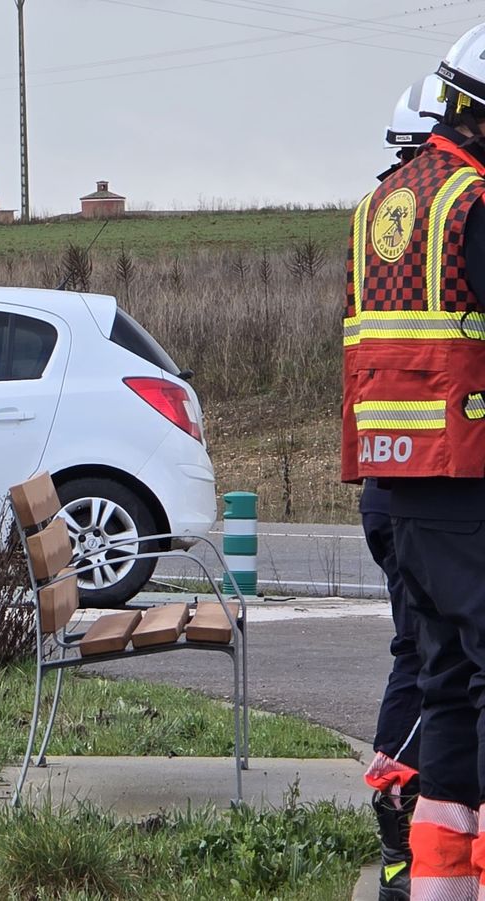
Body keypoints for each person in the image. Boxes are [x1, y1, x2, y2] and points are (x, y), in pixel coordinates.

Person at [343, 24, 485, 899]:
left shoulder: (387, 203)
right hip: (463, 488)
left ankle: (435, 886)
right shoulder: (474, 204)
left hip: (393, 491)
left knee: (446, 691)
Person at [361, 76, 443, 901]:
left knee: (415, 652)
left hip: (390, 478)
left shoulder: (380, 223)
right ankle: (402, 807)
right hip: (430, 485)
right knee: (438, 659)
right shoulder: (444, 219)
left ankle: (400, 830)